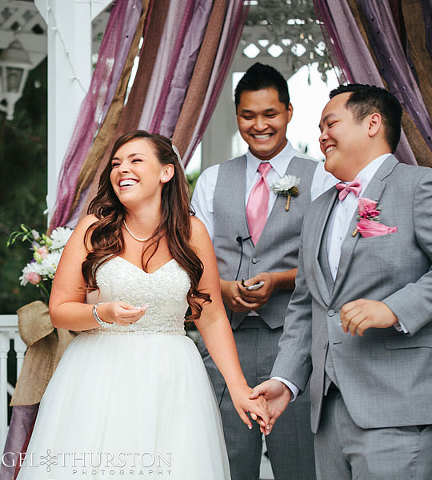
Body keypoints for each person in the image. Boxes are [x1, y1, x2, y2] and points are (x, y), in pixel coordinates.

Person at [16, 130, 269, 480]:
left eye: (136, 161)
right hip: (99, 374)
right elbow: (59, 309)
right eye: (117, 164)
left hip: (172, 377)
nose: (123, 170)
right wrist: (100, 313)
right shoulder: (93, 230)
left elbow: (211, 317)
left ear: (166, 172)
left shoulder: (191, 232)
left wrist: (239, 388)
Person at [252, 84, 432, 479]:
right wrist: (285, 379)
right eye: (318, 127)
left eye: (330, 123)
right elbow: (307, 306)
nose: (321, 136)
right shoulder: (318, 209)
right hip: (327, 413)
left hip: (397, 410)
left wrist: (394, 308)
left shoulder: (420, 187)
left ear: (372, 123)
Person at [190, 62, 333, 480]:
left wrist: (279, 280)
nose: (259, 125)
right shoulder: (213, 179)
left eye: (269, 114)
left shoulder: (321, 175)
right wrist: (222, 286)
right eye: (248, 115)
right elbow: (193, 260)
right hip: (224, 346)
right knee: (227, 464)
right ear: (237, 116)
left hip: (292, 343)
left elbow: (327, 257)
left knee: (299, 465)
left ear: (288, 112)